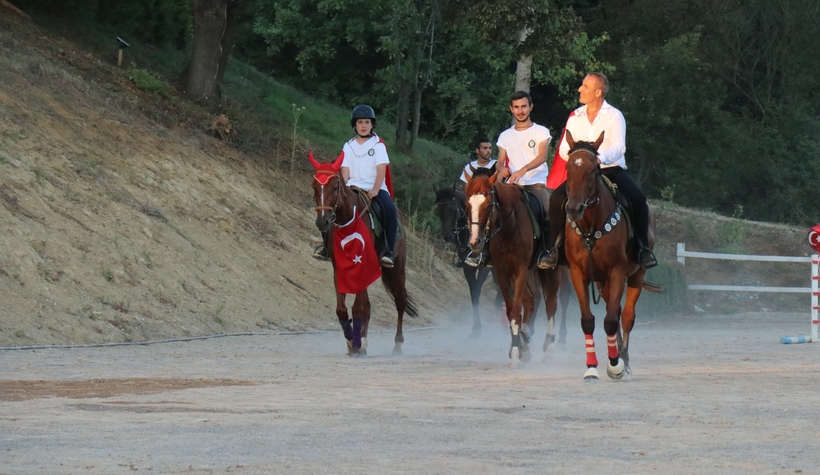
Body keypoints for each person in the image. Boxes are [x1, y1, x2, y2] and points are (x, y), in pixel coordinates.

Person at [542, 72, 658, 270]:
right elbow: (563, 147)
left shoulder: (614, 116)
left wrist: (598, 159)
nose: (580, 89)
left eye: (585, 87)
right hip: (581, 174)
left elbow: (619, 147)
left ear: (598, 91)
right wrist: (578, 160)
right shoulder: (575, 117)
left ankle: (642, 249)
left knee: (638, 199)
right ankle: (555, 249)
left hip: (609, 170)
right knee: (555, 200)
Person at [312, 104, 398, 268]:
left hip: (375, 188)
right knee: (329, 207)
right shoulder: (348, 146)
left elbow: (381, 170)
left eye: (367, 122)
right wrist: (342, 188)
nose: (364, 125)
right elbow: (345, 172)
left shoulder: (378, 145)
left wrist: (375, 188)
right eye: (360, 122)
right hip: (353, 187)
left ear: (372, 125)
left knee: (389, 210)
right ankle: (326, 246)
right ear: (355, 125)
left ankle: (389, 250)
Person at [496, 90, 553, 269]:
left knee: (548, 210)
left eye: (524, 107)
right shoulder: (505, 135)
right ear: (511, 109)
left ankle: (548, 252)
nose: (520, 111)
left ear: (530, 107)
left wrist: (522, 170)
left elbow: (542, 156)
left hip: (535, 185)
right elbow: (499, 161)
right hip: (513, 187)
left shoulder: (540, 131)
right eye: (516, 107)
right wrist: (502, 168)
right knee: (489, 210)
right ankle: (485, 252)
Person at [461, 136, 497, 268]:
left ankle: (487, 253)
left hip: (490, 202)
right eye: (485, 148)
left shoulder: (496, 166)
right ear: (477, 150)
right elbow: (467, 189)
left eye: (490, 148)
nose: (488, 151)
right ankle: (463, 250)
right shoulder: (470, 167)